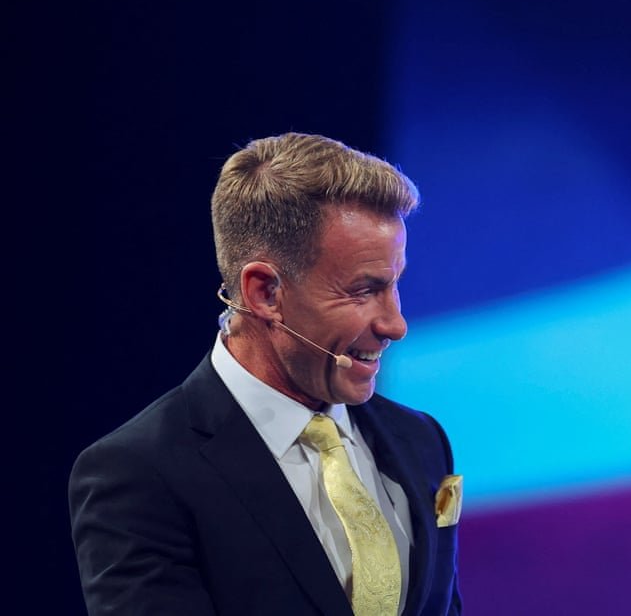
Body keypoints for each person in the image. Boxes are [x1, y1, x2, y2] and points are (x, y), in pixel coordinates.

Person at [69, 133, 462, 615]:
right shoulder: (138, 474)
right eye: (363, 291)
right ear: (265, 293)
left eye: (395, 283)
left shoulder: (421, 440)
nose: (395, 325)